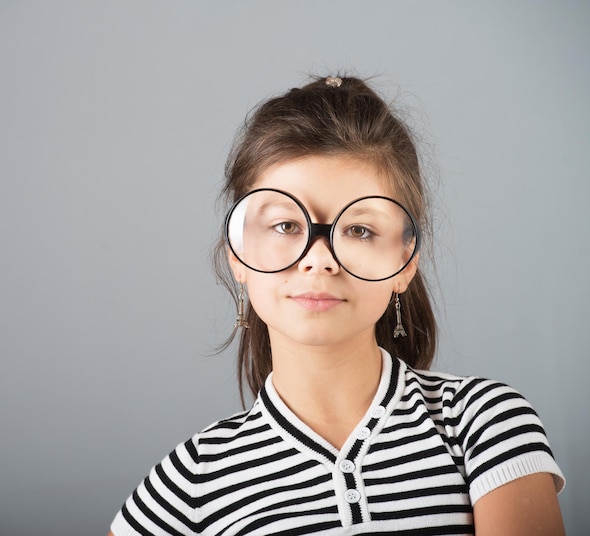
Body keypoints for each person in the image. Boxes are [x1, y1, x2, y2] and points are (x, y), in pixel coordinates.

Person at [108, 75, 566, 536]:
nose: (319, 260)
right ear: (237, 255)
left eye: (360, 229)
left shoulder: (483, 423)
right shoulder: (191, 481)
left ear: (405, 262)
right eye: (286, 225)